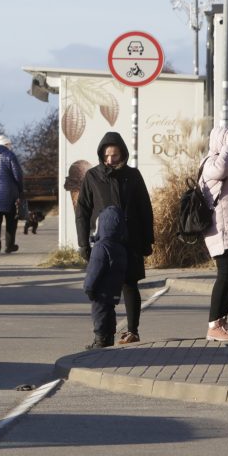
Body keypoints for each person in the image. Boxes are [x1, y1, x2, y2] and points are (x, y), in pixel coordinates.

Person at [75, 131, 154, 345]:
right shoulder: (92, 176)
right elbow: (82, 210)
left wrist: (148, 239)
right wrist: (83, 243)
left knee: (130, 284)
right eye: (107, 155)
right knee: (103, 290)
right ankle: (104, 335)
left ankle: (132, 330)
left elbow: (145, 208)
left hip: (131, 240)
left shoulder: (133, 175)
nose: (110, 160)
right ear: (101, 154)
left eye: (115, 155)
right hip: (104, 242)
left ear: (123, 154)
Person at [200, 127, 228, 342]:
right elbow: (220, 170)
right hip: (220, 228)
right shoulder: (211, 162)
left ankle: (221, 320)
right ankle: (214, 324)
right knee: (226, 274)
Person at [82, 205, 128, 349]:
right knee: (109, 312)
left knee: (99, 313)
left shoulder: (101, 247)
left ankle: (100, 339)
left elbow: (95, 270)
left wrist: (88, 287)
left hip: (101, 290)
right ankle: (109, 338)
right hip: (114, 290)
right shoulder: (120, 247)